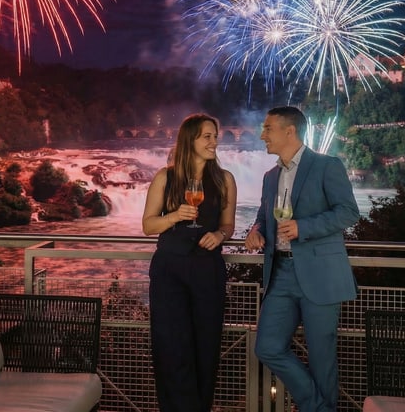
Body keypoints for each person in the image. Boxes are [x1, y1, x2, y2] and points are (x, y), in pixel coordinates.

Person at [244, 106, 359, 412]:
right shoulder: (270, 177)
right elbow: (262, 215)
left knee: (322, 357)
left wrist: (303, 227)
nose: (262, 134)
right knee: (267, 347)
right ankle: (321, 408)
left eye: (268, 128)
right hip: (280, 273)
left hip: (320, 273)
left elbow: (348, 212)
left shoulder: (326, 165)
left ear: (289, 131)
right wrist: (256, 230)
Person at [142, 113, 237, 412]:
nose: (214, 141)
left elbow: (228, 225)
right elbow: (148, 225)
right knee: (170, 346)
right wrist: (174, 217)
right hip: (169, 269)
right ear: (190, 140)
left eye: (215, 135)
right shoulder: (164, 177)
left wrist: (220, 236)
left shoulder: (225, 180)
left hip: (207, 269)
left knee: (206, 345)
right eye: (206, 136)